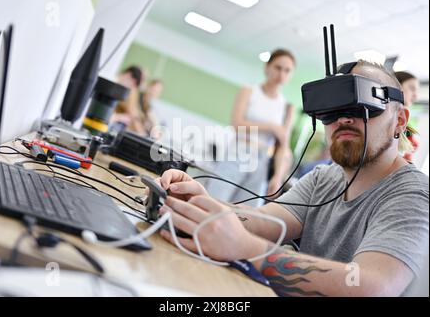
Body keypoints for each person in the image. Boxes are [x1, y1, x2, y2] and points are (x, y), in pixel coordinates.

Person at [152, 60, 429, 296]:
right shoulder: (325, 178)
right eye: (331, 108)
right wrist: (202, 203)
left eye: (360, 106)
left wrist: (249, 250)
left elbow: (373, 286)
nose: (343, 118)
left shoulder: (413, 194)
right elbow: (265, 222)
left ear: (400, 121)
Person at [206, 49, 296, 206]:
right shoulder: (249, 91)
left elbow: (283, 145)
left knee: (245, 214)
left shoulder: (287, 107)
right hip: (237, 153)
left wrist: (278, 177)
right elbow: (236, 124)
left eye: (287, 70)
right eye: (278, 68)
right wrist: (272, 127)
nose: (281, 74)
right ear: (267, 67)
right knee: (213, 203)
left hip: (262, 161)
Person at [111, 65, 147, 135]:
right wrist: (120, 117)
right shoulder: (112, 83)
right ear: (128, 75)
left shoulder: (119, 88)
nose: (130, 89)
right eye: (131, 85)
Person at [395, 71, 420, 162]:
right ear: (397, 85)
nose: (416, 95)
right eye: (412, 88)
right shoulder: (387, 118)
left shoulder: (403, 120)